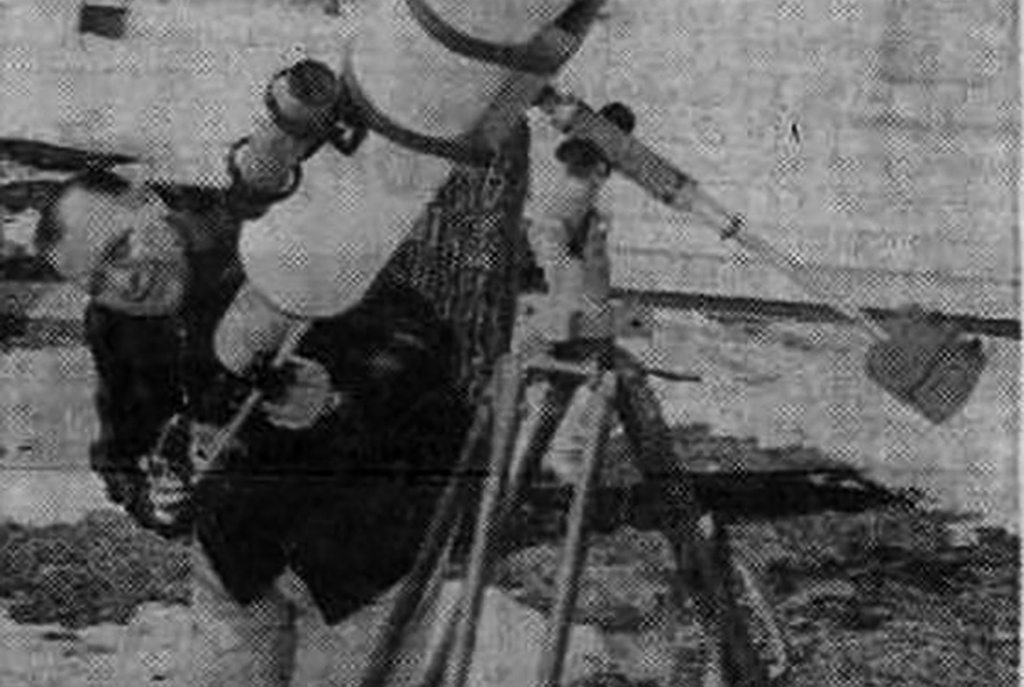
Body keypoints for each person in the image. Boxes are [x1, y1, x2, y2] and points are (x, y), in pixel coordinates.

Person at [34, 166, 474, 685]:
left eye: (119, 248)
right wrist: (153, 495)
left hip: (361, 557)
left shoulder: (275, 242)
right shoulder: (114, 321)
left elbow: (427, 357)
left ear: (146, 199)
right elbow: (124, 444)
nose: (124, 281)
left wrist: (335, 399)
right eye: (96, 282)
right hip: (237, 561)